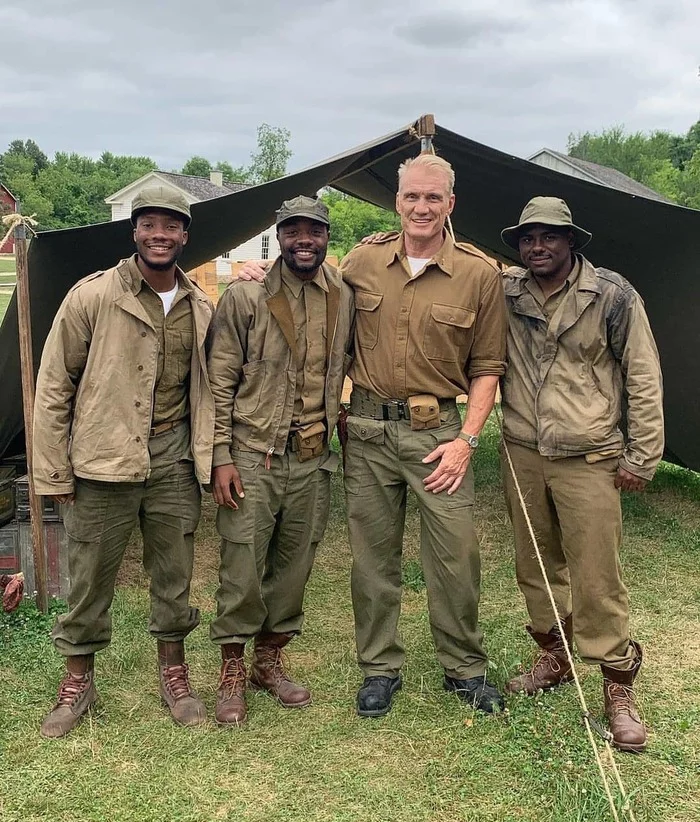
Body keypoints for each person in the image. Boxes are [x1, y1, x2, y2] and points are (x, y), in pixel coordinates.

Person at [33, 185, 215, 738]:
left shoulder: (200, 306)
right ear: (133, 231)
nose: (161, 235)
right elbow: (53, 386)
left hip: (172, 457)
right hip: (103, 458)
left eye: (172, 226)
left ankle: (174, 673)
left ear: (185, 235)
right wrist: (53, 471)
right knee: (89, 576)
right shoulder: (92, 296)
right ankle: (77, 681)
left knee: (175, 572)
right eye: (149, 225)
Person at [340, 154, 507, 717]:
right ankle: (380, 668)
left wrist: (467, 440)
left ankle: (463, 667)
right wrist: (256, 274)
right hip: (365, 432)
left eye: (434, 198)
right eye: (412, 195)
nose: (422, 207)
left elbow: (488, 367)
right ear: (396, 199)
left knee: (456, 555)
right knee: (372, 558)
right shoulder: (361, 262)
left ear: (450, 205)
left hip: (438, 435)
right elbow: (311, 296)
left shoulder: (479, 274)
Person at [499, 196, 664, 753]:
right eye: (527, 238)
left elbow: (643, 373)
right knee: (536, 566)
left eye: (549, 237)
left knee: (597, 573)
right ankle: (555, 653)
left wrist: (642, 454)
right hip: (523, 449)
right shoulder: (506, 291)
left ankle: (617, 685)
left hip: (589, 454)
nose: (537, 247)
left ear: (572, 242)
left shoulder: (612, 295)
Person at [207, 196, 354, 726]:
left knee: (295, 564)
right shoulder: (246, 295)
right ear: (279, 237)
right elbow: (219, 380)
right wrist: (220, 455)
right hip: (252, 452)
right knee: (242, 561)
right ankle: (231, 666)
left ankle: (268, 659)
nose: (303, 240)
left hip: (313, 456)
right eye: (292, 231)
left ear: (326, 236)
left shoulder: (342, 293)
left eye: (313, 231)